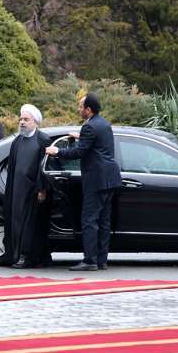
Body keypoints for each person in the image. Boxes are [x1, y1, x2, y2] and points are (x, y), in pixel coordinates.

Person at [45, 93, 121, 271]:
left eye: (80, 106)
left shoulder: (89, 128)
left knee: (89, 220)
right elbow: (96, 144)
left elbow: (79, 153)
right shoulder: (103, 124)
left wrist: (57, 151)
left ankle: (89, 261)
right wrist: (81, 137)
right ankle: (101, 260)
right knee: (104, 221)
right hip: (110, 178)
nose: (78, 109)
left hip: (96, 179)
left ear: (88, 109)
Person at [3, 104, 52, 269]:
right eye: (21, 119)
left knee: (31, 225)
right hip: (17, 190)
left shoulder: (43, 139)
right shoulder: (17, 140)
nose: (22, 122)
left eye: (26, 119)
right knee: (16, 223)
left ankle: (27, 256)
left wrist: (42, 189)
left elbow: (45, 168)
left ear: (35, 122)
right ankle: (15, 255)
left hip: (34, 191)